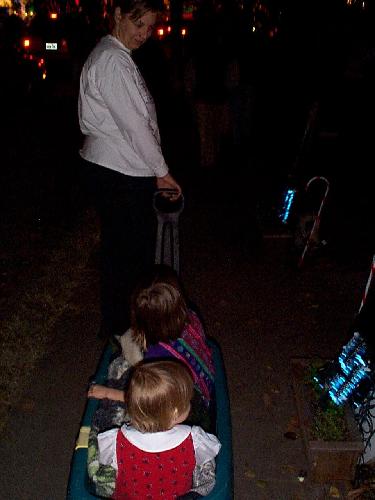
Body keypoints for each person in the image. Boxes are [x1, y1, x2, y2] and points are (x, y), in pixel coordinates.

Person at [78, 0, 182, 339]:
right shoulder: (111, 60)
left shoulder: (116, 55)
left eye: (150, 27)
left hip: (120, 169)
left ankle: (123, 334)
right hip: (119, 172)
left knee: (123, 257)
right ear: (118, 15)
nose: (145, 34)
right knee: (129, 260)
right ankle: (126, 336)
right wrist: (161, 170)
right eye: (139, 25)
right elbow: (135, 126)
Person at [88, 266, 215, 417]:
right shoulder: (192, 316)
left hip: (187, 407)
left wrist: (108, 393)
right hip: (204, 385)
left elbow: (151, 398)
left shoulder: (156, 355)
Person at [89, 359, 221, 498]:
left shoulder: (116, 440)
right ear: (175, 412)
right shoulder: (194, 439)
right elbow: (213, 450)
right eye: (187, 401)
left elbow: (104, 460)